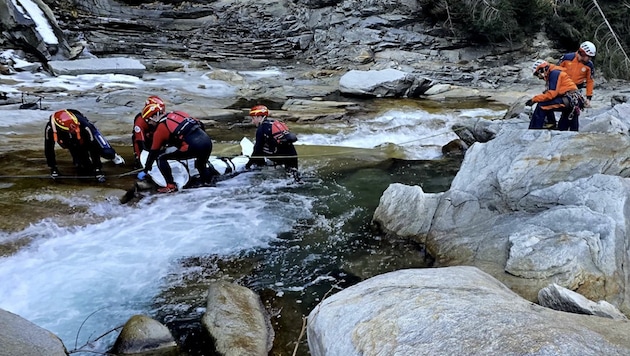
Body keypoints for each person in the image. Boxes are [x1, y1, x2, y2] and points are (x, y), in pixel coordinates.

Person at [138, 104, 214, 193]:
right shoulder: (178, 113)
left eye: (148, 120)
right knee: (201, 165)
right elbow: (200, 124)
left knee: (161, 158)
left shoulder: (161, 128)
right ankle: (209, 185)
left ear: (155, 116)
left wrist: (147, 169)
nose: (149, 123)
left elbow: (154, 152)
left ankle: (171, 186)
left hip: (193, 146)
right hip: (207, 142)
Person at [45, 109, 124, 182]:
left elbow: (93, 146)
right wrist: (53, 168)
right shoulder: (50, 129)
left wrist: (97, 169)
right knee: (83, 167)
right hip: (71, 140)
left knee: (106, 152)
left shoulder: (84, 125)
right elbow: (49, 149)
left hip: (86, 134)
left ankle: (114, 156)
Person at [245, 105, 300, 181]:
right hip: (293, 155)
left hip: (280, 156)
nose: (253, 121)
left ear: (259, 117)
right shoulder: (276, 122)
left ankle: (260, 167)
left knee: (259, 149)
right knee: (294, 177)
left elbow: (257, 150)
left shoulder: (261, 129)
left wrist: (248, 165)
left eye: (253, 118)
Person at [526, 60, 581, 131]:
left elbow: (551, 94)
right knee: (562, 128)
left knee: (541, 106)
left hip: (569, 100)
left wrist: (534, 99)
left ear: (541, 70)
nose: (539, 77)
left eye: (537, 74)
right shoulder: (554, 73)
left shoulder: (554, 73)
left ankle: (533, 130)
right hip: (572, 100)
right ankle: (552, 124)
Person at [557, 41, 596, 108]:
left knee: (574, 107)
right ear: (582, 53)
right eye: (588, 56)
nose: (590, 59)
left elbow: (590, 81)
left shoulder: (589, 65)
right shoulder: (567, 58)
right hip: (562, 86)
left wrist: (588, 98)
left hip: (576, 89)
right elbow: (555, 71)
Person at [132, 95, 165, 168]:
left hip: (153, 138)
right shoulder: (140, 123)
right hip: (143, 141)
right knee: (141, 161)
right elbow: (140, 142)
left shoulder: (158, 119)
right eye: (159, 113)